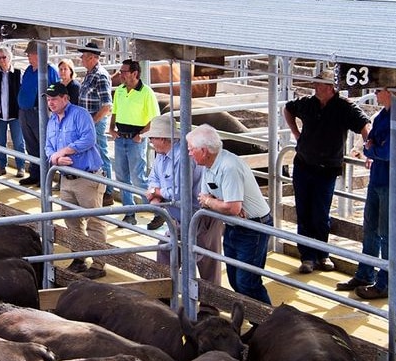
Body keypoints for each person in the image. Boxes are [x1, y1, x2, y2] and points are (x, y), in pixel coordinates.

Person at [284, 69, 370, 274]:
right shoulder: (307, 103)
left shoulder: (344, 108)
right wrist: (296, 134)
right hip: (304, 165)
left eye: (320, 84)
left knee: (320, 214)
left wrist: (370, 150)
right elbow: (288, 109)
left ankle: (322, 253)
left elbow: (364, 125)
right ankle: (307, 256)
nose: (315, 87)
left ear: (331, 88)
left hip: (326, 168)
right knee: (304, 211)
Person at [337, 88, 396, 299]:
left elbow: (386, 151)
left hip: (392, 182)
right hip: (379, 179)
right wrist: (372, 147)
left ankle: (385, 283)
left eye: (379, 90)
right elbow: (371, 142)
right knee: (370, 227)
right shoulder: (382, 116)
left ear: (388, 93)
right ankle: (365, 273)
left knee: (387, 234)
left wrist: (370, 149)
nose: (375, 93)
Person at [189, 124, 272, 305]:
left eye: (191, 149)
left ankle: (266, 323)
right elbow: (204, 198)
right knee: (235, 279)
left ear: (204, 151)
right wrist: (222, 204)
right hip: (234, 225)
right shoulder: (208, 165)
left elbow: (230, 207)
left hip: (253, 226)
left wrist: (215, 203)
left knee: (247, 281)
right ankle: (258, 321)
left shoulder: (229, 167)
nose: (189, 153)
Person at [146, 115, 223, 285]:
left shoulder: (183, 157)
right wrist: (156, 191)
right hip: (181, 216)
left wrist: (156, 192)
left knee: (206, 261)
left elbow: (179, 193)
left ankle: (208, 307)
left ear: (164, 138)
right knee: (167, 249)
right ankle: (166, 292)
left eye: (152, 137)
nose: (150, 140)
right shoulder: (161, 154)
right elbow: (153, 178)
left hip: (201, 215)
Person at [44, 83, 106, 280]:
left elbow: (89, 138)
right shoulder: (52, 120)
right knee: (72, 220)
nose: (50, 102)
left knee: (94, 221)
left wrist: (65, 151)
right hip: (66, 177)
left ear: (65, 98)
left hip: (86, 176)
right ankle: (79, 257)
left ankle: (99, 263)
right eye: (48, 99)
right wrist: (55, 158)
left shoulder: (80, 114)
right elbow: (47, 147)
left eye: (54, 98)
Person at [109, 59, 159, 224]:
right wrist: (111, 128)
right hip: (120, 137)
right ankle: (129, 212)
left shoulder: (147, 93)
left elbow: (154, 118)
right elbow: (114, 112)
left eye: (124, 71)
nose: (121, 74)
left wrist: (141, 135)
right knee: (122, 176)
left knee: (138, 178)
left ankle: (157, 211)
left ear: (134, 74)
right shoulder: (120, 91)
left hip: (135, 139)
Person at [17, 40, 60, 187]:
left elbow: (56, 91)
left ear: (39, 54)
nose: (28, 57)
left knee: (43, 145)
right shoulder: (29, 70)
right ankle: (34, 174)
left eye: (31, 54)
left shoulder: (50, 70)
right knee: (31, 145)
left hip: (39, 112)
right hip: (25, 111)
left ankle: (45, 177)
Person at [78, 42, 114, 207]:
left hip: (95, 122)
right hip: (89, 121)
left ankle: (107, 191)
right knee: (95, 152)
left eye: (84, 56)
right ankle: (97, 186)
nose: (81, 59)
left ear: (92, 57)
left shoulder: (100, 75)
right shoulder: (91, 74)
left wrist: (92, 122)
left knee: (100, 152)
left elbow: (107, 105)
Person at [0, 46, 26, 178]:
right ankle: (1, 166)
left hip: (15, 114)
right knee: (0, 141)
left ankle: (20, 166)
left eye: (4, 57)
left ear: (9, 58)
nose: (1, 60)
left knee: (18, 142)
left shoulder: (18, 73)